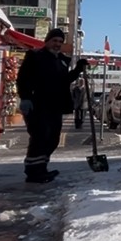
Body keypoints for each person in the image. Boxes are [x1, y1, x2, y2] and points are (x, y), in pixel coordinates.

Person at [16, 28, 88, 183]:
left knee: (53, 139)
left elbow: (65, 80)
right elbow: (23, 78)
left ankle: (41, 168)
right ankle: (34, 172)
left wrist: (78, 69)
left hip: (56, 105)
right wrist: (25, 98)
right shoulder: (35, 56)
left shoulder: (61, 60)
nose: (57, 44)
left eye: (60, 42)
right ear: (47, 41)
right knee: (40, 137)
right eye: (54, 40)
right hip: (38, 104)